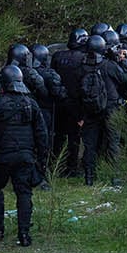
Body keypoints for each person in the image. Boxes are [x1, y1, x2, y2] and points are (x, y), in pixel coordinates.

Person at [0, 66, 48, 246]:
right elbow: (42, 134)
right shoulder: (31, 103)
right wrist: (42, 160)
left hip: (3, 156)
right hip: (25, 156)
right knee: (24, 193)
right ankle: (24, 234)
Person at [75, 35, 121, 186]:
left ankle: (89, 178)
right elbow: (125, 81)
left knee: (90, 145)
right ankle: (115, 177)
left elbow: (77, 90)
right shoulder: (110, 66)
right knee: (113, 142)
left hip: (89, 109)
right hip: (110, 107)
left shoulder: (81, 67)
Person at [51, 28, 88, 178]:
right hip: (75, 102)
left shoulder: (57, 56)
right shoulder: (83, 58)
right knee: (74, 137)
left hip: (59, 101)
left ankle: (55, 165)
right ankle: (71, 167)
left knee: (58, 136)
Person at [29, 43, 65, 190]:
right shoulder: (49, 74)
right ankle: (40, 176)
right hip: (44, 112)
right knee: (43, 145)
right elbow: (59, 94)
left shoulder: (22, 72)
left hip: (28, 112)